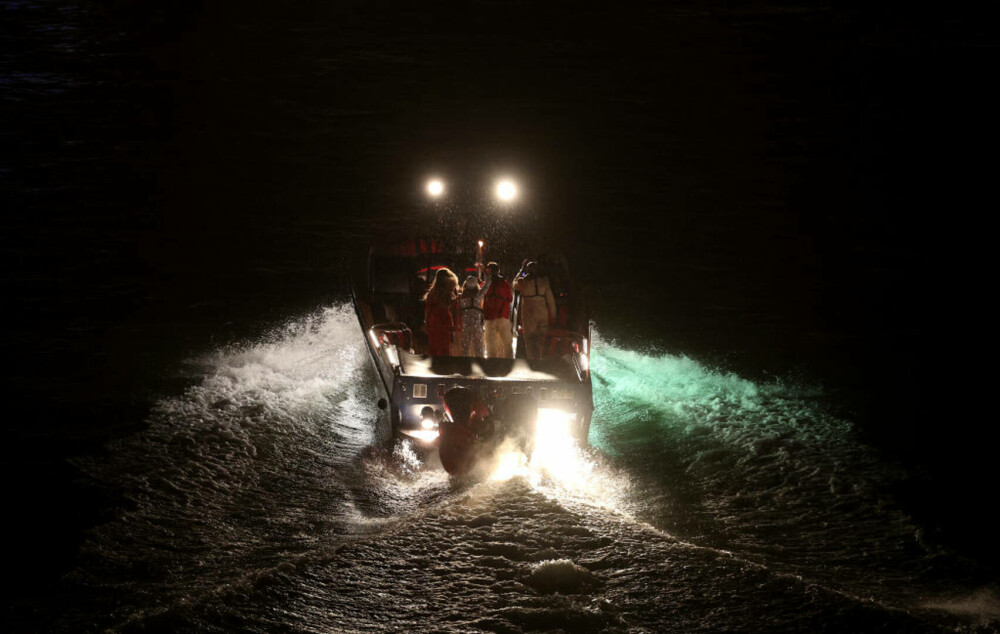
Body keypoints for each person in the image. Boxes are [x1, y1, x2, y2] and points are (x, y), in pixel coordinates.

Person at [514, 260, 556, 359]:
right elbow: (551, 300)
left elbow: (513, 284)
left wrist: (521, 269)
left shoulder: (522, 281)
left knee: (529, 341)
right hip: (542, 312)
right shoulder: (544, 281)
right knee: (542, 339)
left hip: (529, 314)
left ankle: (532, 362)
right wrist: (554, 315)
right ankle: (542, 360)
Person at [422, 267, 460, 356]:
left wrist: (426, 323)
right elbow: (456, 310)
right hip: (446, 319)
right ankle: (445, 366)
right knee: (445, 347)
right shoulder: (450, 292)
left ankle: (434, 365)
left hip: (434, 320)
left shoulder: (432, 293)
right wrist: (456, 323)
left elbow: (427, 309)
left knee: (433, 346)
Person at [481, 261, 514, 358]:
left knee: (491, 344)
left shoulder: (486, 284)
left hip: (489, 316)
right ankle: (509, 362)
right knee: (507, 343)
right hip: (503, 316)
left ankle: (492, 363)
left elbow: (480, 296)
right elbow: (510, 298)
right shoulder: (504, 283)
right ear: (498, 271)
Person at [458, 273, 490, 357]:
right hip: (477, 322)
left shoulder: (461, 296)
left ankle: (466, 365)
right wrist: (487, 276)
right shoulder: (478, 295)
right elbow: (486, 286)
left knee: (465, 346)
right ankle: (480, 363)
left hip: (465, 322)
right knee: (478, 347)